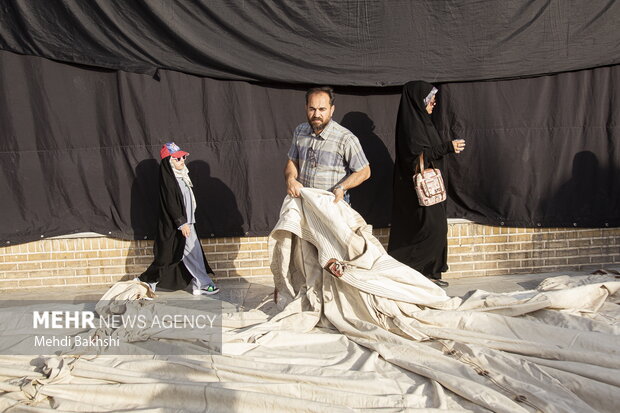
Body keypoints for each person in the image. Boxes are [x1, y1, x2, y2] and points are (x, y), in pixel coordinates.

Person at [388, 81, 466, 287]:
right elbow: (415, 158)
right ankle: (407, 272)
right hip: (416, 192)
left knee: (435, 230)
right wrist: (447, 147)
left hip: (432, 190)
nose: (433, 103)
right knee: (432, 230)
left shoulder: (424, 123)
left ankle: (429, 274)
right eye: (430, 98)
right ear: (418, 100)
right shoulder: (411, 126)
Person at [139, 142, 219, 295]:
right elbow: (171, 202)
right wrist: (181, 223)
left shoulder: (181, 176)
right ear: (168, 162)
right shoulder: (170, 180)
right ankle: (145, 283)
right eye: (177, 159)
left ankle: (200, 283)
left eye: (183, 157)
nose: (182, 160)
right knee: (169, 256)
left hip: (187, 222)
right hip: (178, 225)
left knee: (189, 254)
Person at [284, 86, 371, 204]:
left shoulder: (345, 138)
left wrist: (341, 187)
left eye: (322, 109)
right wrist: (291, 180)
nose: (316, 114)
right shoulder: (300, 131)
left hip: (332, 203)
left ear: (332, 110)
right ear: (306, 108)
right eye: (312, 109)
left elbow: (364, 171)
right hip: (305, 201)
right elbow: (292, 161)